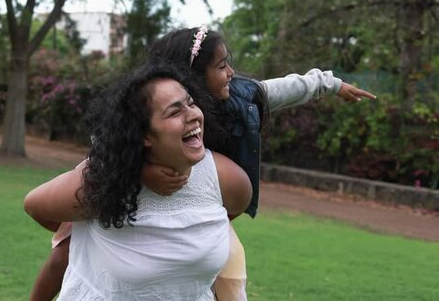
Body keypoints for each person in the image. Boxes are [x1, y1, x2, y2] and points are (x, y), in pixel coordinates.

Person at [143, 26, 377, 300]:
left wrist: (333, 85)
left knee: (232, 280)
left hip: (210, 219)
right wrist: (143, 171)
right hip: (154, 221)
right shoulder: (144, 110)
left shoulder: (241, 99)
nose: (230, 72)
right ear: (193, 75)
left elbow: (286, 88)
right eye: (221, 66)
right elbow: (109, 147)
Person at [24, 64, 252, 300]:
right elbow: (35, 206)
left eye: (191, 103)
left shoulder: (227, 179)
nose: (194, 114)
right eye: (174, 112)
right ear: (144, 136)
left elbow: (227, 216)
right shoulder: (105, 182)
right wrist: (89, 223)